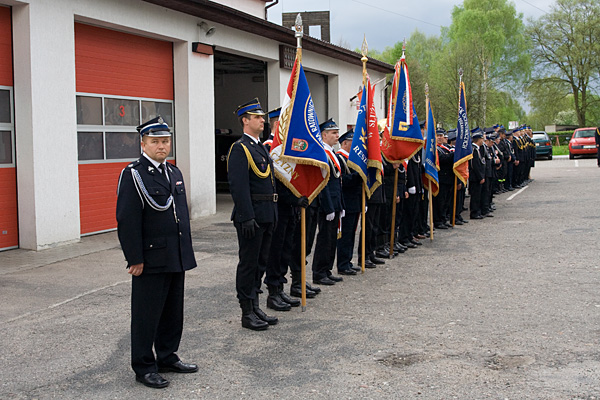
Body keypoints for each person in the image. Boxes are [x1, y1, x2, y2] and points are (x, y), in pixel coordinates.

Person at [116, 116, 198, 389]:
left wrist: (185, 252)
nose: (162, 146)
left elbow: (181, 216)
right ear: (143, 143)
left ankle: (167, 356)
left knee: (173, 312)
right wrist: (134, 258)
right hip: (150, 257)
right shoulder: (134, 174)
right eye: (155, 142)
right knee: (146, 314)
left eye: (165, 141)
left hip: (175, 254)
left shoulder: (174, 172)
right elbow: (127, 220)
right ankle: (144, 366)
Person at [227, 98, 278, 331]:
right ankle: (246, 311)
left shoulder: (259, 147)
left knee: (261, 262)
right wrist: (247, 216)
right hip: (253, 216)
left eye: (262, 117)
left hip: (267, 213)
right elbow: (239, 186)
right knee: (248, 264)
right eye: (257, 117)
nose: (262, 120)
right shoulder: (240, 148)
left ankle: (256, 305)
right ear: (245, 121)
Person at [312, 118, 345, 285]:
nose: (337, 135)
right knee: (325, 238)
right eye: (333, 133)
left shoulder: (332, 153)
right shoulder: (322, 153)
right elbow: (323, 183)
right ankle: (318, 272)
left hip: (335, 202)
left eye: (337, 132)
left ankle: (327, 269)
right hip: (327, 204)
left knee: (332, 238)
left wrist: (341, 205)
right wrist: (329, 207)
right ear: (324, 135)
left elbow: (338, 182)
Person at [336, 129, 363, 275]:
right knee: (345, 235)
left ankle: (348, 261)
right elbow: (343, 181)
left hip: (355, 201)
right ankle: (342, 264)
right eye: (353, 143)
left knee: (351, 233)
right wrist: (359, 176)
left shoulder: (352, 159)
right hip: (347, 202)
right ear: (345, 143)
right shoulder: (340, 158)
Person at [469, 128, 486, 220]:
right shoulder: (474, 150)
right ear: (479, 139)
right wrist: (480, 177)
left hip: (477, 177)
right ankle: (474, 212)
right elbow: (475, 165)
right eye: (482, 139)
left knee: (478, 195)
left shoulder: (477, 149)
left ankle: (478, 211)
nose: (483, 141)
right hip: (475, 177)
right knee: (475, 196)